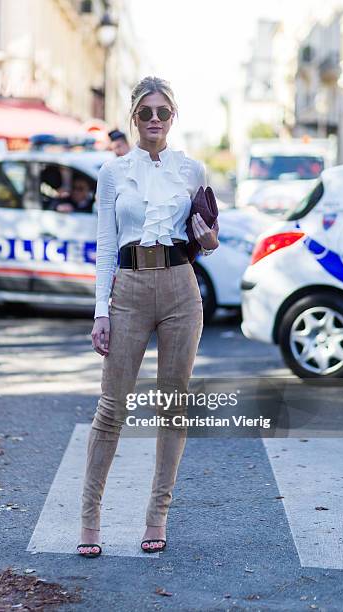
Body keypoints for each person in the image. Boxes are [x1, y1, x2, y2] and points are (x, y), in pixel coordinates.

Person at [77, 76, 219, 558]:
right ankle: (89, 519)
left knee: (172, 406)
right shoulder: (113, 173)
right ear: (133, 117)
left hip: (181, 288)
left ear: (173, 117)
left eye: (163, 112)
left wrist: (209, 236)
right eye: (145, 113)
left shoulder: (192, 169)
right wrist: (101, 312)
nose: (154, 120)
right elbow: (103, 248)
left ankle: (157, 515)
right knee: (111, 408)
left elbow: (209, 239)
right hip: (130, 290)